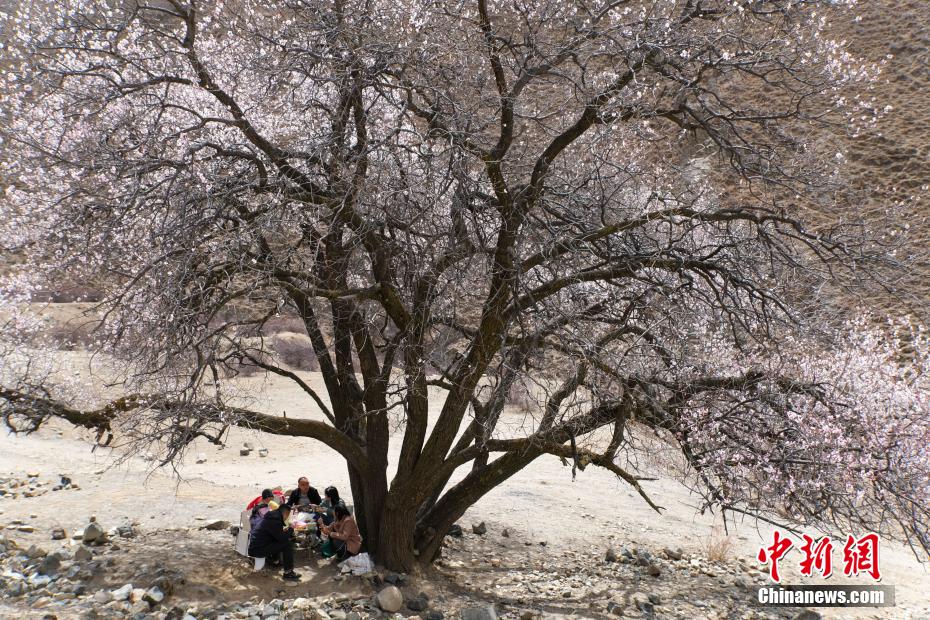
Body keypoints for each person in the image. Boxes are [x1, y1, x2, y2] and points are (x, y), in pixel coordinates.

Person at [248, 504, 300, 581]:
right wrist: (291, 529)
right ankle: (288, 573)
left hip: (255, 547)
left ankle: (275, 561)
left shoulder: (271, 516)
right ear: (286, 513)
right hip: (257, 550)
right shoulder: (275, 519)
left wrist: (284, 531)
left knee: (279, 541)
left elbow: (274, 534)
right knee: (287, 544)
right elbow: (282, 539)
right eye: (288, 516)